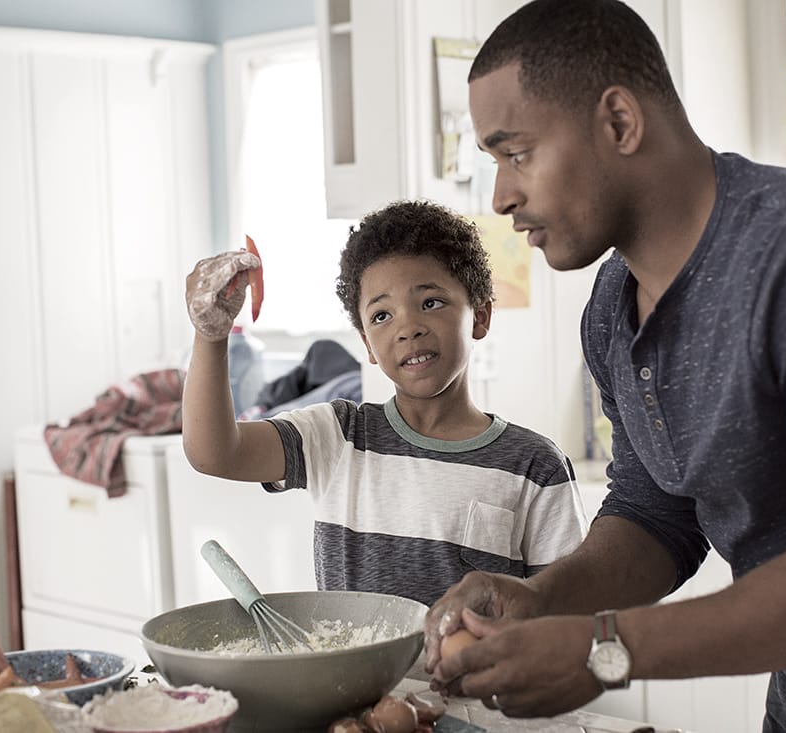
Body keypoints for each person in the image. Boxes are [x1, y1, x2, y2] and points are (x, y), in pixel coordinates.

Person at [422, 1, 786, 731]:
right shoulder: (612, 307)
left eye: (517, 154)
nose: (502, 196)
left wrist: (603, 647)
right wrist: (546, 598)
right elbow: (656, 512)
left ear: (619, 122)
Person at [182, 199, 588, 607]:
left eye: (430, 303)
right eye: (381, 316)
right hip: (355, 674)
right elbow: (214, 453)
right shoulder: (337, 436)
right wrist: (210, 334)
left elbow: (566, 613)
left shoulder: (535, 466)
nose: (408, 328)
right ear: (367, 346)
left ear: (479, 316)